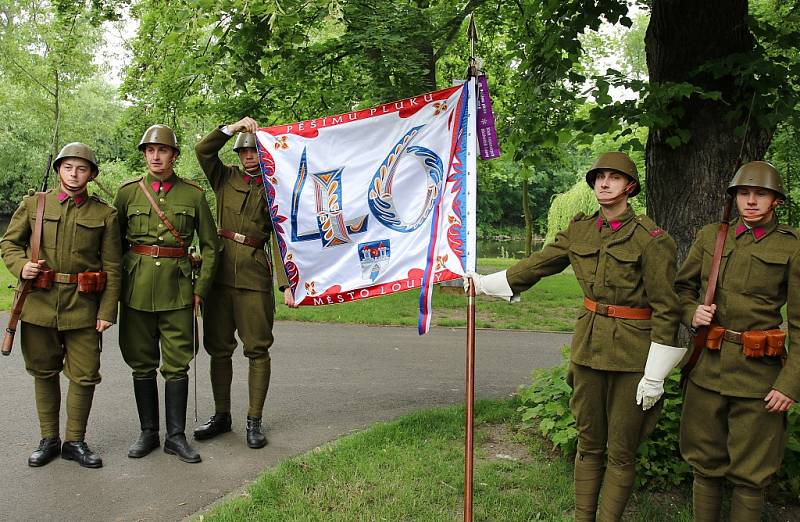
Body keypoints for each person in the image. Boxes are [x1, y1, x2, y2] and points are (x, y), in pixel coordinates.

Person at [468, 152, 684, 520]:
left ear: (629, 187)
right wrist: (485, 283)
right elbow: (539, 264)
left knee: (621, 450)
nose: (604, 183)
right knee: (588, 443)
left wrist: (656, 373)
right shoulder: (580, 230)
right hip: (588, 349)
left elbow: (667, 308)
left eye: (614, 178)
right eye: (599, 176)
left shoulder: (652, 240)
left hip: (634, 356)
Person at [675, 160, 799, 521]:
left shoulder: (792, 246)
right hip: (707, 368)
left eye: (761, 194)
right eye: (744, 193)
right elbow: (682, 289)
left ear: (776, 200)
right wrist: (691, 313)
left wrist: (790, 384)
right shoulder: (713, 236)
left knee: (751, 476)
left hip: (759, 377)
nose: (751, 201)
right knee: (704, 465)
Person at [0, 142, 121, 468]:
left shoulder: (104, 214)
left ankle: (75, 441)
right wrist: (21, 265)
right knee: (43, 371)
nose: (74, 174)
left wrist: (107, 311)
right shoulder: (34, 205)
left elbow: (112, 267)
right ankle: (49, 439)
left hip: (83, 307)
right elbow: (9, 243)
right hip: (39, 303)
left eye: (82, 169)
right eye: (68, 167)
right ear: (58, 170)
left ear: (91, 175)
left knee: (85, 375)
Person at [113, 124, 219, 463]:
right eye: (150, 150)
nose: (155, 156)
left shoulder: (193, 194)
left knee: (177, 364)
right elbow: (112, 247)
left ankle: (175, 436)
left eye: (162, 150)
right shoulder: (128, 193)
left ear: (174, 155)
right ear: (144, 155)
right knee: (141, 362)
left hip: (178, 289)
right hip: (136, 289)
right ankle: (148, 433)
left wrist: (200, 289)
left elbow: (211, 247)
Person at [192, 117, 289, 448]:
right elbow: (202, 150)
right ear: (237, 155)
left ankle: (254, 420)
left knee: (257, 349)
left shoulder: (276, 186)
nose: (249, 157)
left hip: (254, 274)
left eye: (255, 151)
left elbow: (281, 237)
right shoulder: (224, 177)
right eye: (244, 152)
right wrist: (231, 128)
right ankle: (222, 416)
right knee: (218, 349)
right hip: (218, 275)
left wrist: (286, 282)